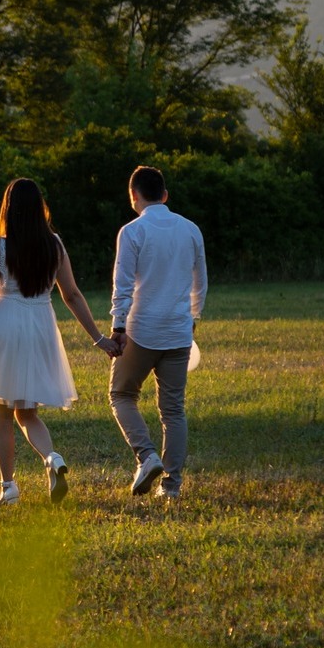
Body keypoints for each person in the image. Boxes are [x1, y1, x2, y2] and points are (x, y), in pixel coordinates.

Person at [0, 177, 116, 506]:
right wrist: (99, 338)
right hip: (40, 327)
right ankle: (52, 458)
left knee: (2, 415)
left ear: (9, 208)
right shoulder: (55, 245)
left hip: (5, 325)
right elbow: (72, 295)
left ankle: (9, 487)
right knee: (27, 414)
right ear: (39, 209)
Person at [108, 165, 207, 503]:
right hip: (179, 332)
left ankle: (147, 455)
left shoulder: (132, 231)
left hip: (140, 330)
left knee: (121, 395)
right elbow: (200, 282)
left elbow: (122, 285)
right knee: (173, 411)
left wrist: (118, 326)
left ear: (134, 196)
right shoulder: (191, 229)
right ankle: (172, 486)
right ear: (165, 194)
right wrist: (193, 317)